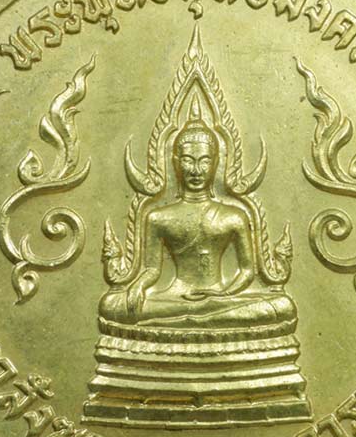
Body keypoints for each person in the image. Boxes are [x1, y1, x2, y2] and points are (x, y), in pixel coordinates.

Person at [99, 96, 295, 326]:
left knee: (283, 305)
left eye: (204, 161)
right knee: (110, 304)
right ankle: (197, 315)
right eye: (188, 160)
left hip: (220, 298)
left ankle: (194, 315)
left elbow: (247, 271)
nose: (196, 170)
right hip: (174, 297)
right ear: (175, 162)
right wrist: (139, 286)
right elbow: (151, 269)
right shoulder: (158, 217)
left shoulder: (234, 216)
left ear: (216, 162)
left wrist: (222, 295)